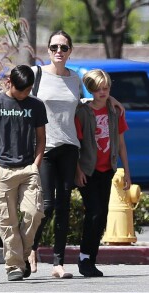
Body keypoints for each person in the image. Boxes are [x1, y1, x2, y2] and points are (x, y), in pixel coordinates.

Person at [28, 30, 124, 279]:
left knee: (63, 206)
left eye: (63, 47)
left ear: (70, 51)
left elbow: (87, 101)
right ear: (47, 50)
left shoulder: (74, 79)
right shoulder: (36, 74)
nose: (58, 51)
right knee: (47, 205)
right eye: (54, 47)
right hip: (45, 148)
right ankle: (30, 248)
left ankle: (59, 263)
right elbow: (20, 101)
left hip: (70, 147)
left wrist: (111, 97)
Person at [0, 65, 48, 281]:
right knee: (6, 221)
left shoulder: (36, 106)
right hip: (4, 170)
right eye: (23, 90)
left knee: (34, 213)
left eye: (29, 89)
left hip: (28, 169)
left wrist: (36, 164)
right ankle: (14, 266)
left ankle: (22, 256)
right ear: (10, 84)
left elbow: (41, 137)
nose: (26, 93)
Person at [75, 69, 131, 277]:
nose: (102, 92)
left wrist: (126, 171)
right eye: (98, 88)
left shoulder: (115, 111)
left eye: (106, 88)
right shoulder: (82, 112)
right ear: (90, 89)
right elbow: (76, 145)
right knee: (94, 211)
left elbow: (122, 143)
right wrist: (78, 169)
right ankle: (84, 259)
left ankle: (90, 257)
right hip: (88, 169)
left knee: (102, 215)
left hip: (107, 168)